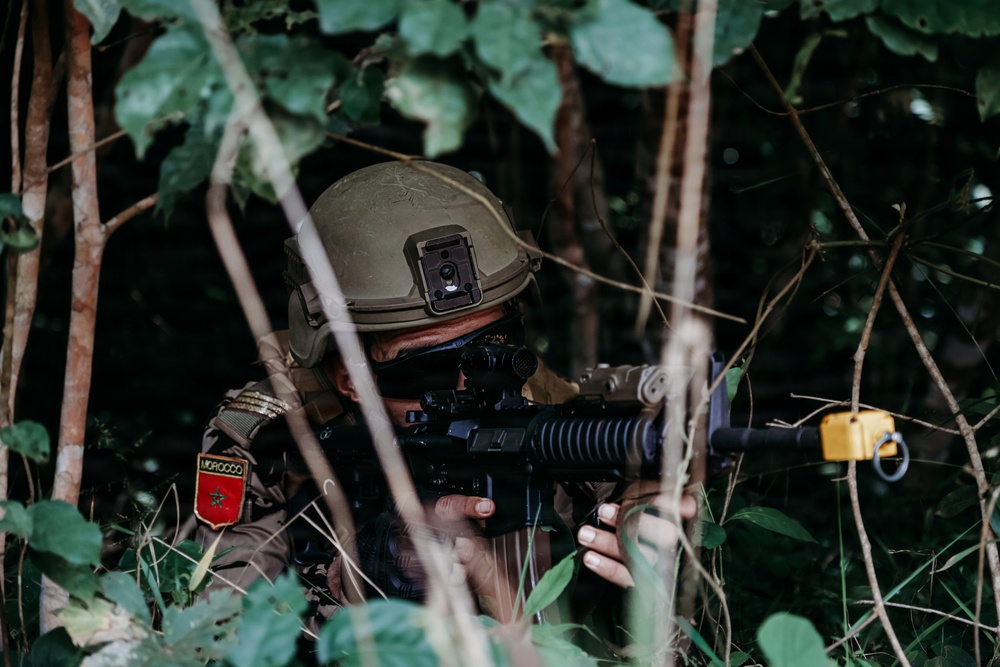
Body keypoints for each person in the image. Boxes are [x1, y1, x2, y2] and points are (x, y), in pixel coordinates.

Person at [193, 159, 696, 622]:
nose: (469, 383)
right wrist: (367, 571)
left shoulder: (550, 411)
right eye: (426, 370)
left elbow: (643, 508)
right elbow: (212, 627)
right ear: (350, 375)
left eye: (494, 350)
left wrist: (647, 516)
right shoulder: (268, 438)